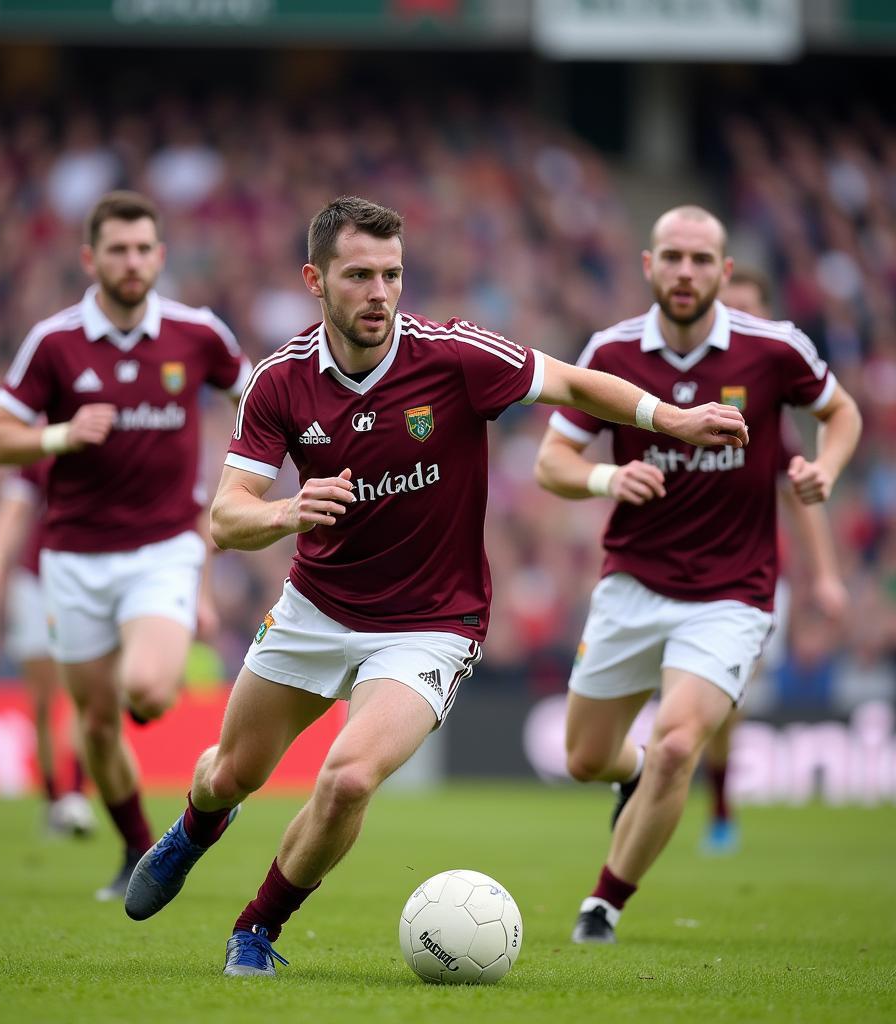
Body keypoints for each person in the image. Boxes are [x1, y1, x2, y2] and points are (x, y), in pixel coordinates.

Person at [121, 195, 749, 977]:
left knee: (348, 778)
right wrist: (288, 510)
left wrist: (672, 420)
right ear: (315, 280)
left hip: (431, 623)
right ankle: (191, 829)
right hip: (316, 609)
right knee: (229, 773)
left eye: (391, 275)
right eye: (359, 276)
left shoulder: (454, 357)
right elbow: (224, 517)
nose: (380, 292)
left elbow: (578, 386)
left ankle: (257, 930)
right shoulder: (279, 382)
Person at [533, 206, 862, 944]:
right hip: (631, 583)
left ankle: (603, 905)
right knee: (585, 758)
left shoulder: (774, 348)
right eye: (673, 258)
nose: (686, 272)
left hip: (732, 593)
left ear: (724, 272)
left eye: (701, 260)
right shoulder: (611, 351)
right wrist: (606, 481)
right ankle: (636, 771)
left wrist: (825, 469)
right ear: (649, 265)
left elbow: (841, 413)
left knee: (682, 744)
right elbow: (550, 463)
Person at [0, 190, 252, 900]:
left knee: (148, 690)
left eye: (143, 250)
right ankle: (137, 845)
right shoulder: (54, 341)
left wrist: (240, 477)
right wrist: (61, 434)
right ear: (90, 258)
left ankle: (147, 809)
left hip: (164, 548)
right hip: (72, 558)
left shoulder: (198, 334)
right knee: (97, 726)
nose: (132, 263)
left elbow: (255, 398)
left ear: (160, 256)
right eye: (118, 250)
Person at [700, 266, 849, 853]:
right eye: (727, 312)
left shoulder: (767, 410)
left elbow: (801, 493)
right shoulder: (677, 382)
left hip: (747, 579)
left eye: (747, 313)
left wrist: (828, 577)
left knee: (722, 698)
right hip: (664, 576)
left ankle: (716, 805)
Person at [0, 461, 95, 837]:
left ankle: (75, 795)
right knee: (42, 703)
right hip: (36, 585)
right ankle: (52, 797)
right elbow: (14, 510)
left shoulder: (106, 439)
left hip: (86, 581)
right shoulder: (39, 452)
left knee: (80, 694)